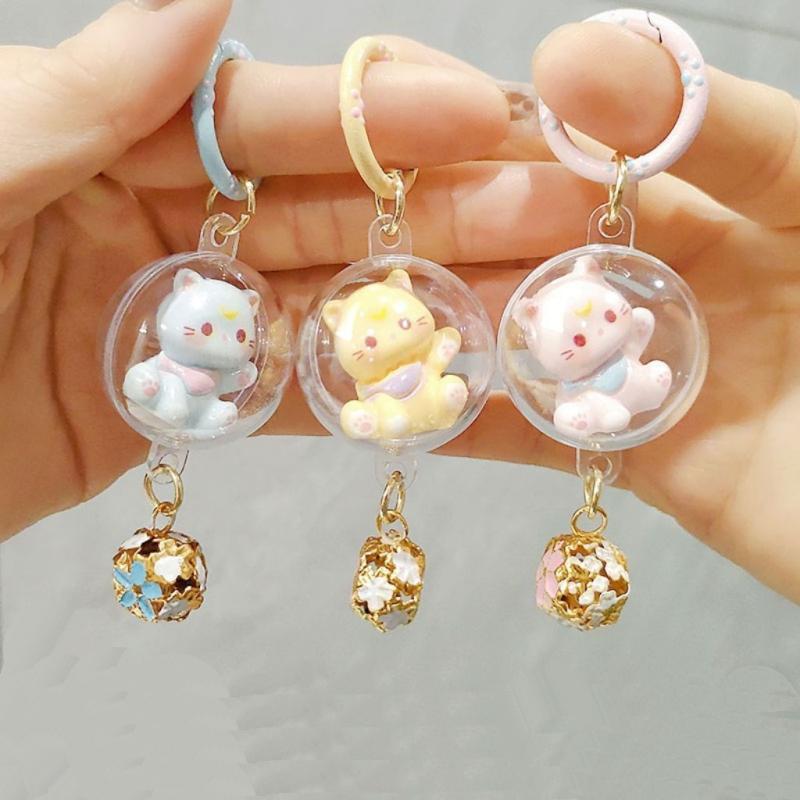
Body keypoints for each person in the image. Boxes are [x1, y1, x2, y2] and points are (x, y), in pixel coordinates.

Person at [1, 0, 798, 603]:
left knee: (544, 394)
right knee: (280, 404)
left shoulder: (488, 325)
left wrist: (455, 359)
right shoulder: (265, 320)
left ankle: (629, 393)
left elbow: (456, 343)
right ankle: (170, 394)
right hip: (264, 396)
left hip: (540, 396)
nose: (218, 332)